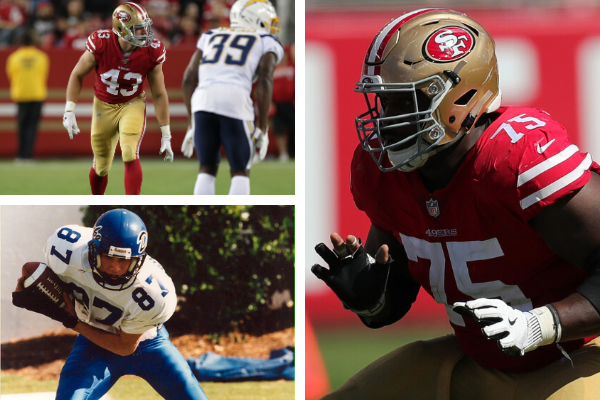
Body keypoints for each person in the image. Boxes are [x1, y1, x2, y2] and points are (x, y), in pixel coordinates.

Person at [311, 8, 600, 400]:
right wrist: (370, 298)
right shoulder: (385, 173)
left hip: (578, 355)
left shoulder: (514, 159)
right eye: (383, 102)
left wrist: (540, 325)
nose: (386, 120)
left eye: (405, 101)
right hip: (480, 362)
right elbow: (393, 296)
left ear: (460, 95)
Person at [12, 209, 209, 399]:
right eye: (108, 257)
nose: (115, 267)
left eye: (124, 261)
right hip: (93, 345)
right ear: (94, 250)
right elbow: (49, 283)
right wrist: (33, 289)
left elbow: (124, 347)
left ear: (138, 260)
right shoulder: (66, 249)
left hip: (149, 345)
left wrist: (71, 321)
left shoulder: (155, 292)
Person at [62, 2, 174, 196]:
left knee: (130, 151)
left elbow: (159, 93)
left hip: (132, 102)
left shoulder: (152, 50)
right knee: (101, 165)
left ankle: (134, 204)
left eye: (144, 28)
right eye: (138, 30)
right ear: (122, 29)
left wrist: (166, 132)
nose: (144, 34)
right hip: (103, 104)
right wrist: (69, 109)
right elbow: (76, 75)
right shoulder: (101, 42)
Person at [181, 0, 284, 195]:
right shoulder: (265, 40)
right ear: (254, 19)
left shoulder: (211, 34)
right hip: (235, 98)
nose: (270, 27)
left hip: (202, 99)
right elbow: (264, 78)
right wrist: (262, 126)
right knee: (240, 171)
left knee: (206, 169)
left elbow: (188, 78)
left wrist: (191, 122)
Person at [6, 28, 49, 161]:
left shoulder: (14, 57)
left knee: (21, 126)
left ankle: (20, 155)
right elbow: (44, 74)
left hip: (21, 95)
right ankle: (28, 155)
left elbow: (11, 74)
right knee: (32, 127)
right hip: (37, 94)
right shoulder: (41, 57)